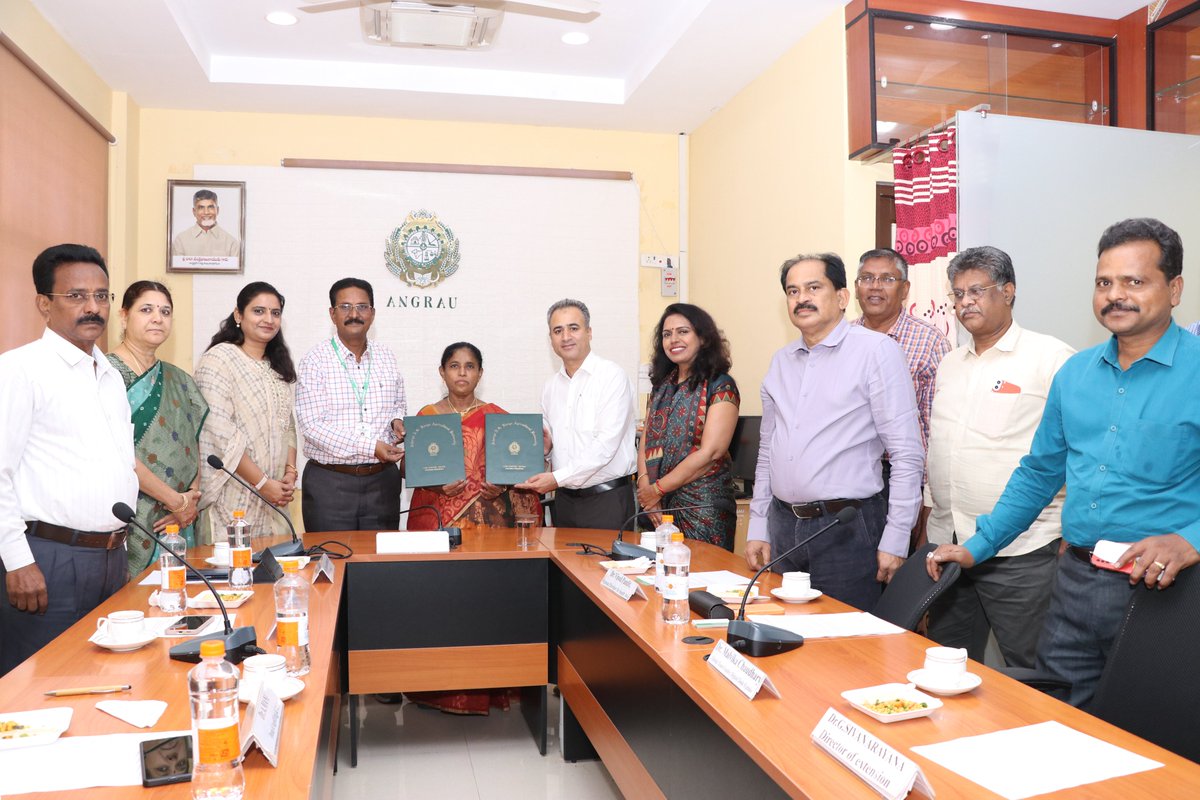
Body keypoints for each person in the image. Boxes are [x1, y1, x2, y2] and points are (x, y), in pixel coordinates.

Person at [928, 218, 1200, 708]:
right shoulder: (1075, 374)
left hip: (1166, 591)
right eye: (1104, 283)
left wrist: (1190, 539)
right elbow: (1038, 474)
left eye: (1134, 281)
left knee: (1151, 731)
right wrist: (979, 546)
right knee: (1056, 717)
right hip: (1076, 582)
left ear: (1174, 289)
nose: (1115, 295)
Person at [745, 253, 923, 611]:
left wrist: (897, 537)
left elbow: (907, 452)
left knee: (846, 639)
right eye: (793, 291)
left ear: (842, 297)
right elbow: (767, 451)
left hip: (847, 528)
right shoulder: (781, 361)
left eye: (814, 287)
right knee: (786, 631)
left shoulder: (876, 351)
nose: (802, 298)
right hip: (783, 526)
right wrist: (758, 525)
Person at [925, 247, 1074, 669]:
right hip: (951, 544)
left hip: (1023, 552)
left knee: (1031, 672)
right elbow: (941, 448)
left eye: (976, 290)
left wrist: (1071, 532)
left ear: (1008, 292)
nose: (965, 302)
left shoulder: (1052, 358)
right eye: (957, 294)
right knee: (947, 665)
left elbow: (1075, 452)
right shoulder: (950, 363)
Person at [0, 244, 138, 676]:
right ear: (44, 303)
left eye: (101, 296)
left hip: (110, 559)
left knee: (104, 682)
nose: (93, 307)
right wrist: (17, 560)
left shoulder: (110, 375)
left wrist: (119, 550)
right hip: (48, 560)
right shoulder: (20, 370)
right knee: (39, 687)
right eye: (76, 296)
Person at [107, 281, 209, 578]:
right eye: (146, 310)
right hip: (129, 514)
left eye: (165, 312)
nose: (157, 318)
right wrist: (174, 500)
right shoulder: (106, 374)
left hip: (179, 518)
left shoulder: (180, 379)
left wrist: (190, 498)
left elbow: (193, 443)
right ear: (124, 316)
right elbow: (117, 453)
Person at [296, 278, 407, 533]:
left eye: (362, 307)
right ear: (332, 314)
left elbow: (398, 404)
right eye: (345, 307)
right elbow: (312, 427)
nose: (354, 314)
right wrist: (371, 446)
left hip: (382, 483)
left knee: (380, 556)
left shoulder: (387, 357)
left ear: (373, 313)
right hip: (330, 484)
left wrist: (396, 422)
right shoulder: (315, 360)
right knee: (330, 556)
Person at [516, 299, 637, 531]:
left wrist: (557, 478)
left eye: (573, 328)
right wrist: (547, 448)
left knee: (607, 557)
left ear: (589, 332)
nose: (566, 337)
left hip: (608, 501)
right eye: (557, 331)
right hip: (564, 502)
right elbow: (554, 445)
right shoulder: (550, 387)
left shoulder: (612, 377)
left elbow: (605, 446)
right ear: (550, 338)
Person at [195, 282, 297, 544]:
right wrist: (262, 484)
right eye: (259, 311)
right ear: (238, 315)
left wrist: (289, 474)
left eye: (275, 313)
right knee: (232, 565)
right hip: (232, 496)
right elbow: (219, 434)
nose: (269, 319)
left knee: (275, 566)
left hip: (275, 500)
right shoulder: (219, 359)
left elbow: (288, 426)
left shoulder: (277, 367)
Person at [408, 343, 543, 532]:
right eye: (454, 366)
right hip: (436, 519)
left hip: (489, 525)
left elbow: (520, 468)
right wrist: (437, 486)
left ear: (480, 373)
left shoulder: (498, 418)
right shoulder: (427, 417)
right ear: (442, 372)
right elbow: (408, 467)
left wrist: (502, 487)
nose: (462, 372)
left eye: (470, 366)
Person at [636, 303, 739, 549]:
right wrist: (646, 489)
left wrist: (656, 489)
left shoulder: (720, 385)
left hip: (703, 508)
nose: (673, 340)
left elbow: (711, 452)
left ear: (703, 338)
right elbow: (645, 442)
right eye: (667, 334)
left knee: (703, 572)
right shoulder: (661, 387)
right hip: (658, 509)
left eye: (683, 331)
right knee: (657, 571)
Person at [851, 248, 950, 450]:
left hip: (903, 464)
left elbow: (937, 427)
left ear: (905, 289)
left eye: (887, 279)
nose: (875, 287)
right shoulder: (842, 339)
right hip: (851, 465)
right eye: (867, 278)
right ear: (856, 288)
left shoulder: (931, 342)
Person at [171, 189, 240, 259]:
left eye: (210, 207)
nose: (206, 212)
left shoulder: (231, 243)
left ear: (217, 210)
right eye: (201, 208)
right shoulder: (180, 241)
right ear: (194, 212)